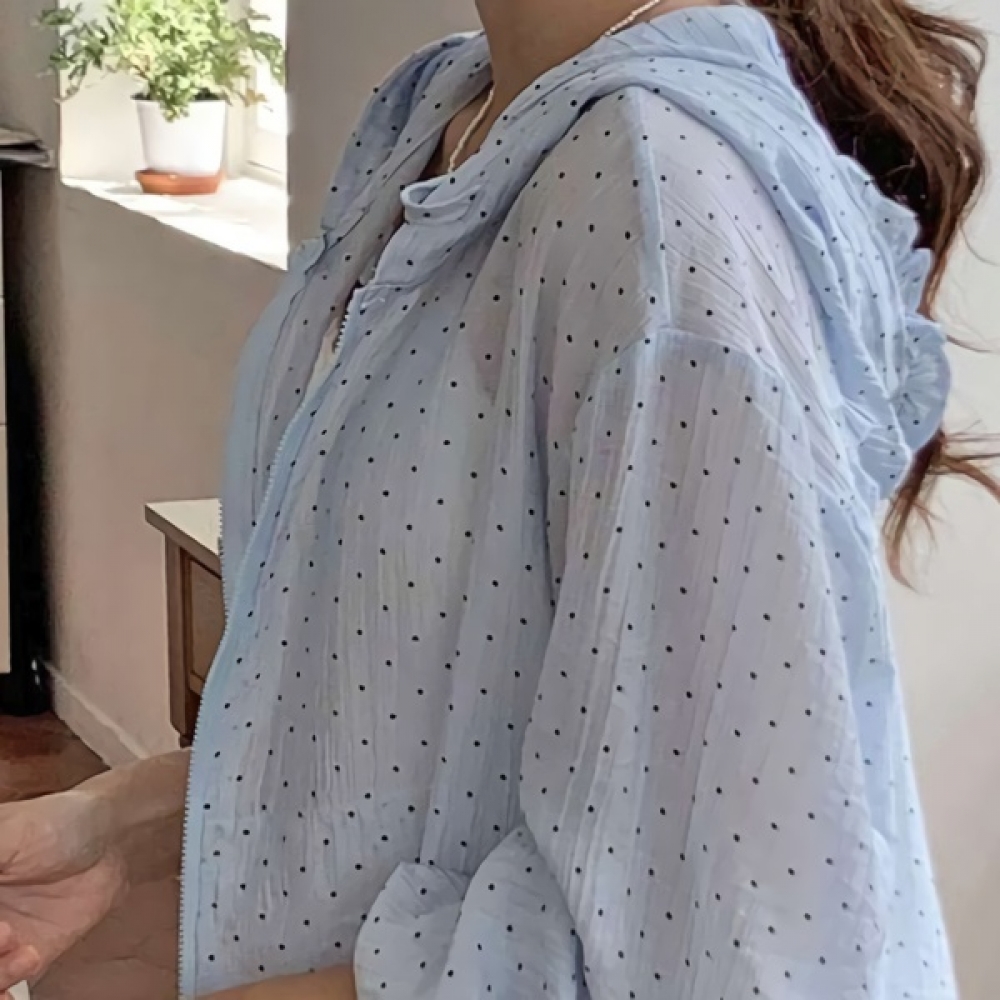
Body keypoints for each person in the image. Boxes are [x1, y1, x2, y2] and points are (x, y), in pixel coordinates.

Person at [0, 0, 992, 997]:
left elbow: (714, 954)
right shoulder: (446, 110)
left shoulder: (660, 204)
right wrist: (117, 827)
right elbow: (421, 745)